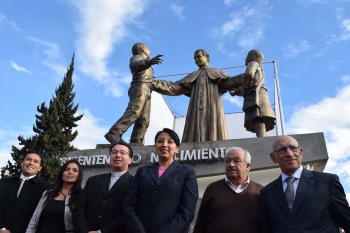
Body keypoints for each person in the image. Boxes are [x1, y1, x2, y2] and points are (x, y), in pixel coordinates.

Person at [260, 135, 350, 233]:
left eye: (293, 148)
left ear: (300, 152)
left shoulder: (327, 182)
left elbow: (347, 220)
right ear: (273, 158)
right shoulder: (267, 192)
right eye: (282, 150)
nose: (289, 154)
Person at [152, 49, 244, 143]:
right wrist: (154, 84)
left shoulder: (216, 72)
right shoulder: (193, 75)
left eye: (199, 57)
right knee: (194, 131)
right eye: (195, 58)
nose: (196, 59)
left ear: (207, 57)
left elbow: (230, 82)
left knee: (214, 130)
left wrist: (245, 77)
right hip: (195, 111)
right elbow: (175, 88)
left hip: (213, 109)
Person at [123, 128, 199, 233]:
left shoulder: (187, 172)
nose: (164, 144)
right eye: (160, 141)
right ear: (155, 147)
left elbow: (187, 212)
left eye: (170, 141)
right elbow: (129, 206)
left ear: (177, 148)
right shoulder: (142, 172)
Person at [194, 147, 263, 233]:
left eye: (236, 161)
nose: (231, 164)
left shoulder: (260, 192)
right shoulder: (212, 189)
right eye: (228, 161)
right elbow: (200, 225)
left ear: (247, 166)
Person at [105, 42, 163, 144]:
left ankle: (136, 143)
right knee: (134, 111)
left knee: (144, 119)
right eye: (148, 48)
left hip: (147, 89)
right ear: (141, 49)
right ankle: (114, 132)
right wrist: (148, 62)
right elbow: (134, 65)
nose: (150, 50)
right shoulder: (137, 57)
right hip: (139, 87)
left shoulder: (146, 63)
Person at [73, 141, 133, 233]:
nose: (117, 155)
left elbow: (129, 213)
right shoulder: (93, 180)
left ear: (130, 160)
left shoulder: (135, 183)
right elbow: (79, 208)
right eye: (114, 152)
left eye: (123, 153)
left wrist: (101, 232)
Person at [0, 150, 51, 233]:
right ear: (22, 162)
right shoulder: (3, 182)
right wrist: (1, 228)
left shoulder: (45, 188)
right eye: (28, 159)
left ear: (40, 168)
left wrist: (12, 231)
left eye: (36, 161)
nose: (31, 163)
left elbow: (39, 215)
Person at [26, 159, 83, 233]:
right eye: (67, 169)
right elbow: (34, 220)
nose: (70, 172)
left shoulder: (81, 196)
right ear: (62, 173)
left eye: (75, 170)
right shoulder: (47, 194)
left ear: (79, 175)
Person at [230, 50, 275, 137]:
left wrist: (243, 89)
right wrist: (237, 91)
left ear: (251, 56)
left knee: (257, 117)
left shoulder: (253, 63)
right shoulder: (260, 67)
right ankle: (262, 138)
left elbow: (249, 75)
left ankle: (261, 141)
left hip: (256, 94)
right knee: (258, 118)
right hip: (260, 93)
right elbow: (251, 82)